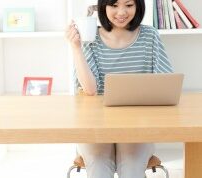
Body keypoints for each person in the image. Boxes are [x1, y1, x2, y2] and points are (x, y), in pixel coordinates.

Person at [65, 0, 173, 178]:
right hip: (96, 123)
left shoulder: (150, 36)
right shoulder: (90, 37)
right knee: (98, 167)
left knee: (131, 167)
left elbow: (166, 82)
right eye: (114, 5)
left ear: (138, 6)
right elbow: (91, 90)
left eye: (129, 5)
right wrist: (76, 48)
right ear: (103, 7)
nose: (121, 12)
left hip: (139, 124)